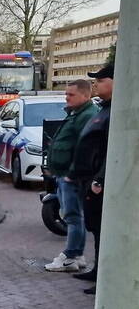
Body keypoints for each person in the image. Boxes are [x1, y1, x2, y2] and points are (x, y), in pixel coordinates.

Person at [44, 79, 98, 273]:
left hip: (71, 176)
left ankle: (70, 256)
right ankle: (78, 255)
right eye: (66, 94)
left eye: (71, 94)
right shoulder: (77, 113)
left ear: (86, 95)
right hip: (65, 173)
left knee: (72, 216)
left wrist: (72, 173)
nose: (66, 97)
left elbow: (85, 147)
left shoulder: (86, 116)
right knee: (75, 216)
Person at [72, 63, 113, 294]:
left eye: (101, 80)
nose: (95, 84)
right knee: (96, 229)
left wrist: (100, 180)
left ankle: (105, 277)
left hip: (98, 183)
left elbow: (111, 151)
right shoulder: (104, 109)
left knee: (103, 229)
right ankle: (99, 270)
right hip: (89, 180)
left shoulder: (115, 113)